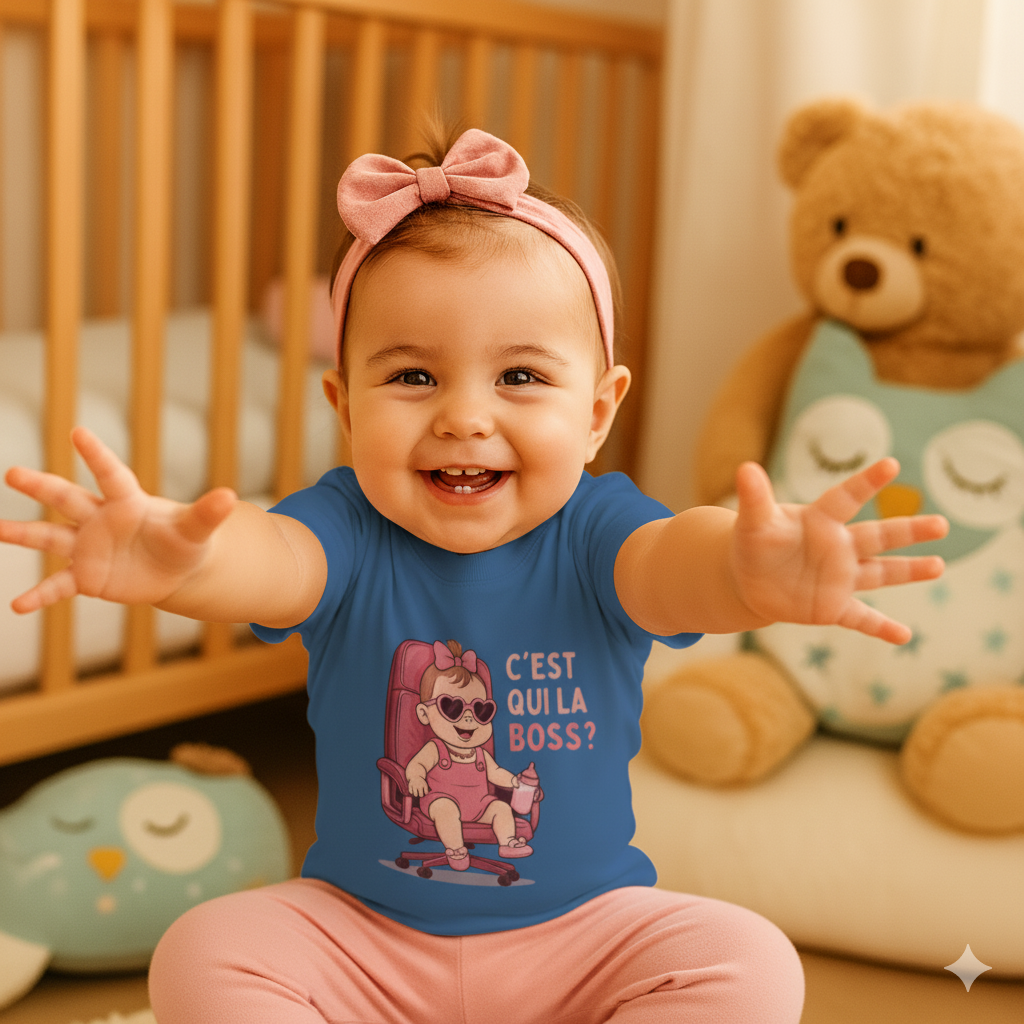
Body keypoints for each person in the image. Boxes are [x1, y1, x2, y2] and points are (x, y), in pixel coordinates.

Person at [0, 127, 947, 1023]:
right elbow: (271, 563)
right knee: (208, 949)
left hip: (581, 940)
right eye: (412, 377)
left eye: (521, 378)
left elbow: (672, 566)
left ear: (598, 411)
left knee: (749, 959)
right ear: (342, 401)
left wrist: (747, 573)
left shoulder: (599, 531)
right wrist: (188, 560)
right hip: (365, 938)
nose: (462, 416)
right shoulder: (345, 526)